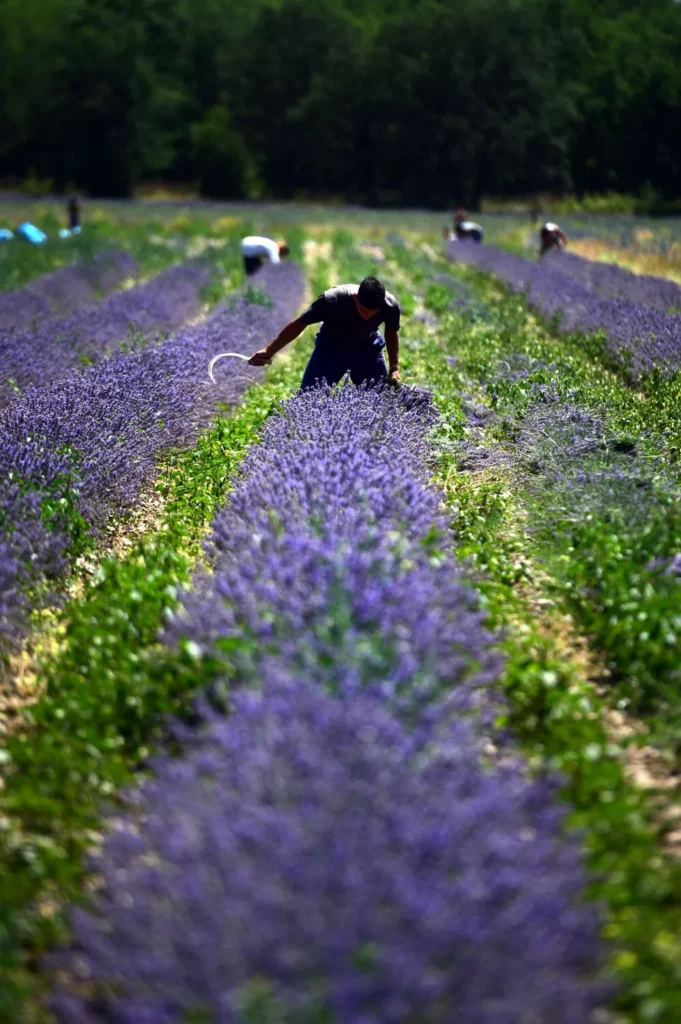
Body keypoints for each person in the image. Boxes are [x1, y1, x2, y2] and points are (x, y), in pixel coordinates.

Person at [248, 276, 401, 388]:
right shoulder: (333, 300)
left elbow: (391, 332)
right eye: (363, 310)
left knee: (379, 398)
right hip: (331, 349)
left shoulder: (390, 306)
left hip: (367, 349)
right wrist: (270, 350)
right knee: (309, 397)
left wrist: (394, 368)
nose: (367, 316)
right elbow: (300, 323)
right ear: (355, 298)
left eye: (373, 313)